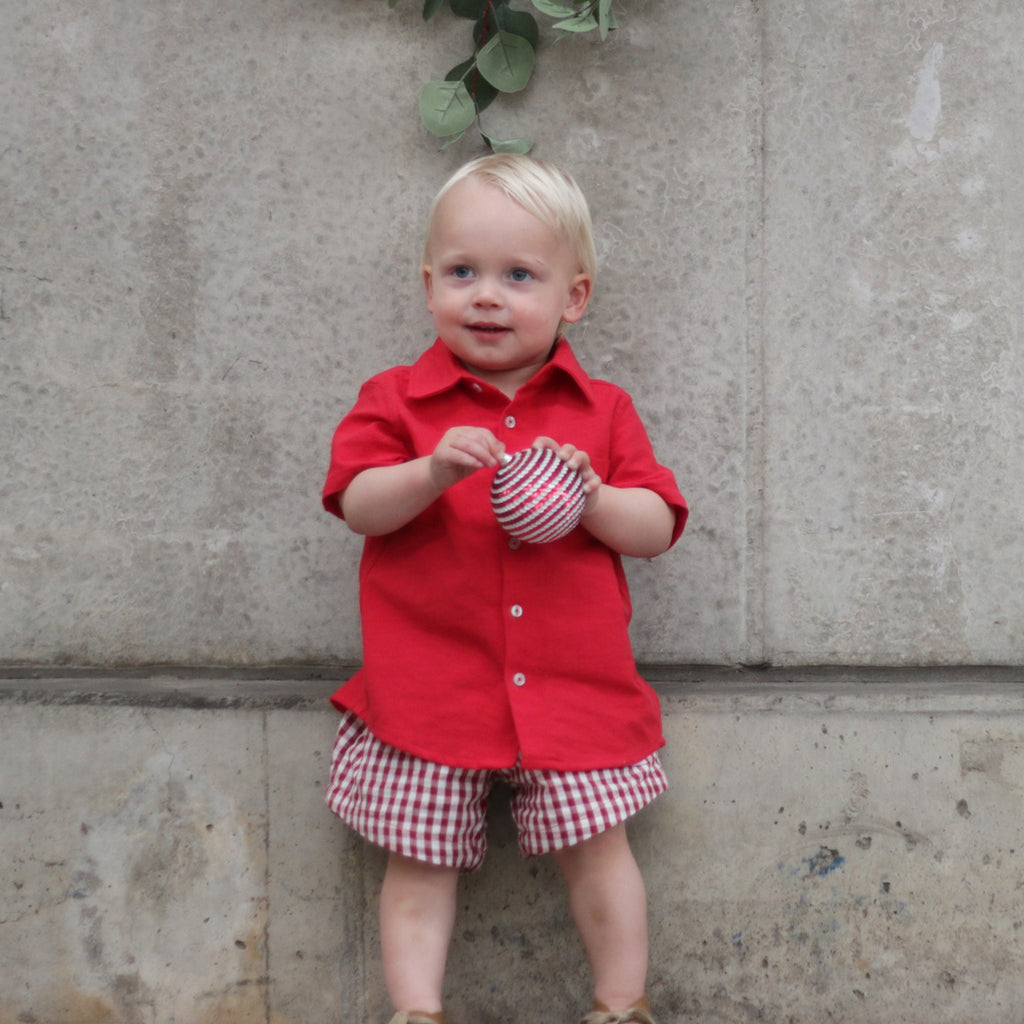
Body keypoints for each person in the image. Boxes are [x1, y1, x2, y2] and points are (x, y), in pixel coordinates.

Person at [322, 154, 688, 1024]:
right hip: (431, 688)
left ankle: (621, 1003)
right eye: (463, 273)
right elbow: (359, 507)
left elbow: (658, 526)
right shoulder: (398, 399)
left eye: (519, 275)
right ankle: (417, 1012)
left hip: (574, 692)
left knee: (601, 853)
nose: (487, 295)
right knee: (418, 861)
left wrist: (591, 495)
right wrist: (429, 470)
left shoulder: (602, 412)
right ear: (428, 285)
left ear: (574, 298)